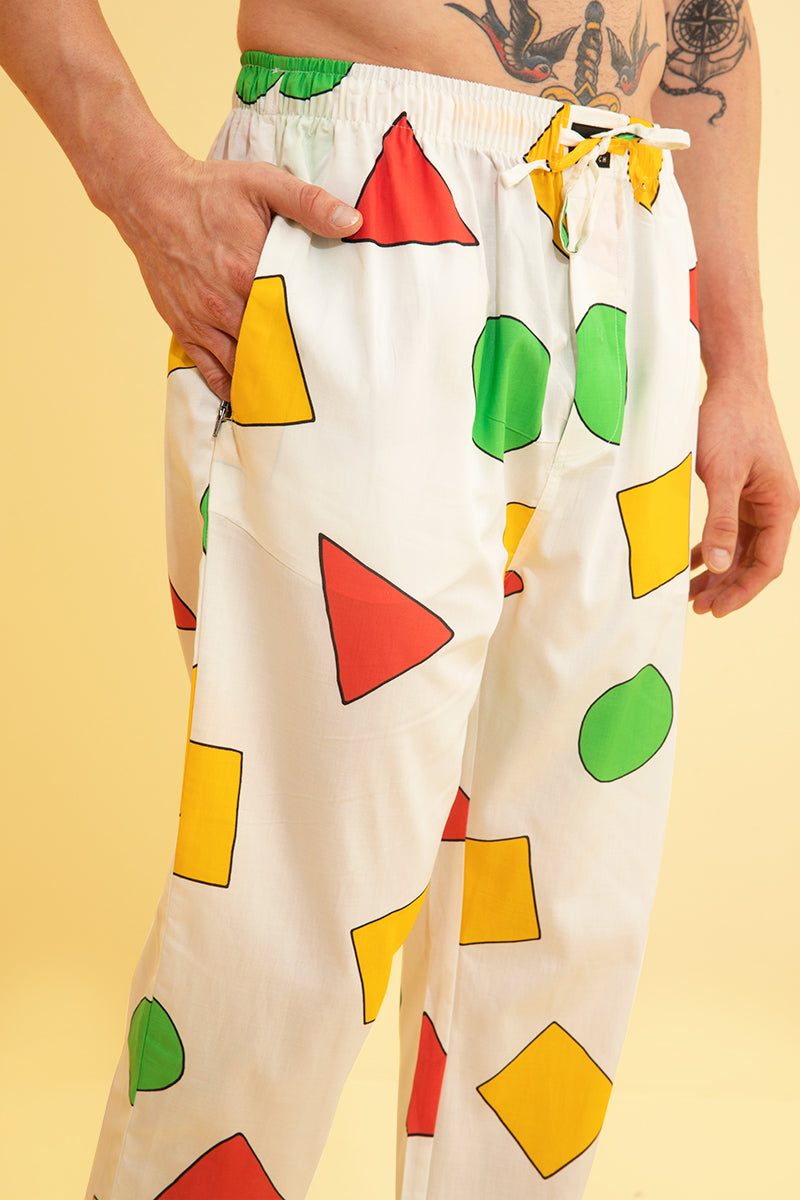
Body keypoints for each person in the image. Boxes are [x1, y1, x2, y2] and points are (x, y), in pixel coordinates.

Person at [1, 3, 797, 1199]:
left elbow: (706, 20)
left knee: (560, 928)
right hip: (375, 196)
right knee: (284, 917)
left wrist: (737, 359)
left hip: (632, 233)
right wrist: (138, 181)